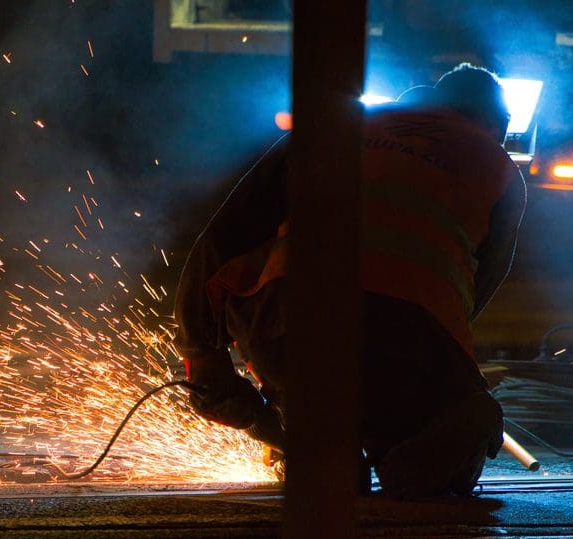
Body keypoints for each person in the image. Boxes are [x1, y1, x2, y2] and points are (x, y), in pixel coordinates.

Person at [174, 63, 527, 498]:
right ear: (496, 125)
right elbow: (470, 299)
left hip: (284, 329)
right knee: (470, 416)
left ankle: (308, 440)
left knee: (313, 419)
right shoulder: (497, 166)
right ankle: (404, 459)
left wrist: (202, 358)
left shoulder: (329, 132)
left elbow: (218, 242)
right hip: (408, 347)